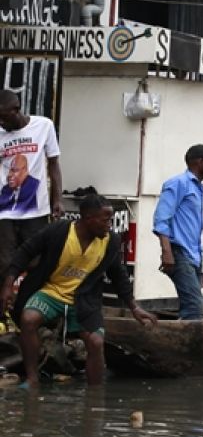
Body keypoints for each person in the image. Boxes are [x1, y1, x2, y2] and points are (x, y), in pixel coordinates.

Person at [0, 194, 156, 385]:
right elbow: (25, 252)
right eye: (105, 220)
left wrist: (134, 307)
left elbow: (119, 275)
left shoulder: (110, 241)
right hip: (51, 291)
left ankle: (95, 397)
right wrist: (8, 286)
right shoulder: (59, 231)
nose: (110, 224)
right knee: (28, 319)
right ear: (89, 219)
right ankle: (32, 378)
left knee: (96, 342)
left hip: (84, 298)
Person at [153, 144, 203, 320]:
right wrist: (167, 252)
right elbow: (161, 219)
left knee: (193, 304)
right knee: (194, 306)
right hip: (179, 253)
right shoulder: (178, 184)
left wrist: (199, 265)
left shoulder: (198, 189)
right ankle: (185, 345)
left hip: (192, 256)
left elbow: (194, 230)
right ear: (199, 162)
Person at [0, 90, 62, 275]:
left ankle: (29, 302)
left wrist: (57, 199)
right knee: (5, 263)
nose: (1, 123)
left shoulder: (44, 126)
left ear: (16, 110)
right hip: (4, 210)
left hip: (36, 209)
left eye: (4, 118)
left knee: (36, 261)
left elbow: (54, 164)